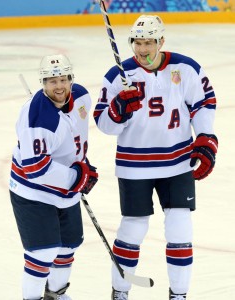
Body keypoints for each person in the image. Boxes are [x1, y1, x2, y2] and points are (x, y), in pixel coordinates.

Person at [93, 15, 218, 300]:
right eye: (137, 42)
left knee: (180, 227)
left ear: (161, 41)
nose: (142, 49)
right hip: (134, 166)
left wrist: (205, 137)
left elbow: (204, 103)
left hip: (177, 162)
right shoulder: (119, 75)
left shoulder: (185, 68)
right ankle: (120, 291)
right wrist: (118, 110)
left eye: (149, 42)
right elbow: (103, 124)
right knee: (133, 229)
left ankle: (179, 294)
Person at [9, 54, 98, 300]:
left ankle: (56, 294)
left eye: (63, 79)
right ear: (42, 83)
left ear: (71, 79)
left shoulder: (81, 97)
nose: (58, 86)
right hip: (32, 191)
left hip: (66, 190)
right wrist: (77, 176)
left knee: (68, 247)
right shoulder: (38, 119)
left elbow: (75, 137)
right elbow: (35, 169)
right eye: (51, 81)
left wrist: (82, 165)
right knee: (43, 252)